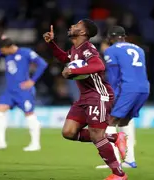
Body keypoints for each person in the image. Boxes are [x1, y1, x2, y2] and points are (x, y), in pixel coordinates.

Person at [43, 19, 128, 180]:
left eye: (76, 25)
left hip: (99, 96)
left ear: (83, 32)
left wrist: (73, 72)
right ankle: (115, 138)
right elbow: (64, 57)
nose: (71, 26)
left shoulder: (88, 49)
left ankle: (119, 174)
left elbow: (99, 66)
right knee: (68, 132)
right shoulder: (75, 49)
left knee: (97, 136)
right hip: (84, 98)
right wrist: (51, 43)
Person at [96, 26, 150, 169]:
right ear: (124, 36)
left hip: (128, 88)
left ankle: (114, 163)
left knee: (110, 121)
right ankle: (129, 160)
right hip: (144, 88)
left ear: (110, 38)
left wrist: (111, 95)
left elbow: (114, 76)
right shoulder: (139, 49)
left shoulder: (111, 50)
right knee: (125, 122)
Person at [0, 36, 48, 151]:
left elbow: (43, 64)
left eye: (3, 50)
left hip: (23, 91)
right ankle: (0, 141)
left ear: (9, 47)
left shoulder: (26, 52)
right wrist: (2, 40)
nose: (1, 53)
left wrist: (32, 81)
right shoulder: (7, 53)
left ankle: (35, 143)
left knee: (29, 115)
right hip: (9, 91)